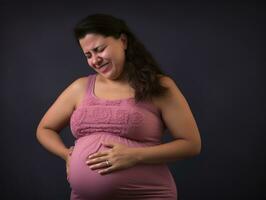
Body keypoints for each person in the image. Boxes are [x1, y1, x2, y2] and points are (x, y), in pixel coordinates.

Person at [36, 13, 202, 200]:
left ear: (122, 41)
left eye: (99, 49)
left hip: (148, 194)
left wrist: (135, 155)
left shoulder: (159, 86)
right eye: (88, 55)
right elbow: (45, 128)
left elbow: (191, 144)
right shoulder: (80, 87)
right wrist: (67, 155)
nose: (95, 60)